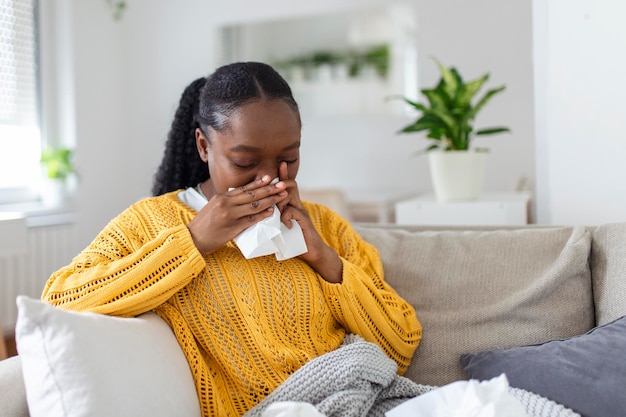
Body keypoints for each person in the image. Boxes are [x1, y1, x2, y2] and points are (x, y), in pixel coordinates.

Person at [41, 62, 422, 416]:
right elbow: (60, 299)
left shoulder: (326, 225)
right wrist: (192, 241)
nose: (268, 178)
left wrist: (326, 260)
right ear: (204, 146)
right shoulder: (154, 223)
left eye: (288, 157)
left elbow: (399, 343)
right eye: (244, 163)